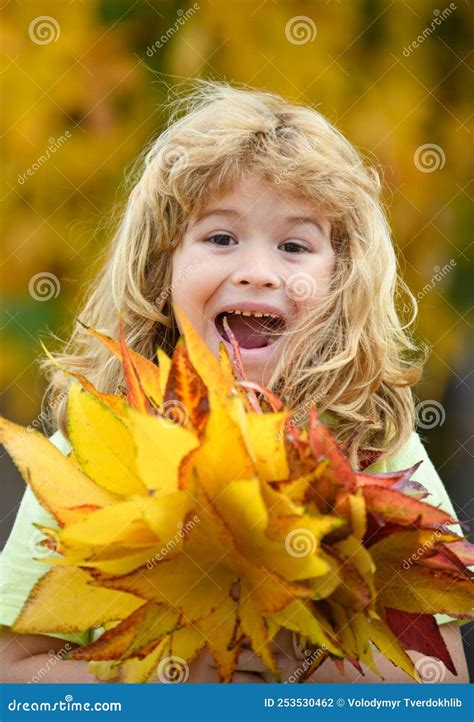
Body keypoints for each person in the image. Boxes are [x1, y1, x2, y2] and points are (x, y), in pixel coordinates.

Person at [0, 81, 468, 684]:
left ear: (341, 282)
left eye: (295, 245)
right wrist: (171, 672)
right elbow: (15, 676)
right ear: (161, 268)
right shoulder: (95, 456)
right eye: (220, 238)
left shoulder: (375, 447)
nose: (257, 273)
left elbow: (441, 686)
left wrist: (294, 660)